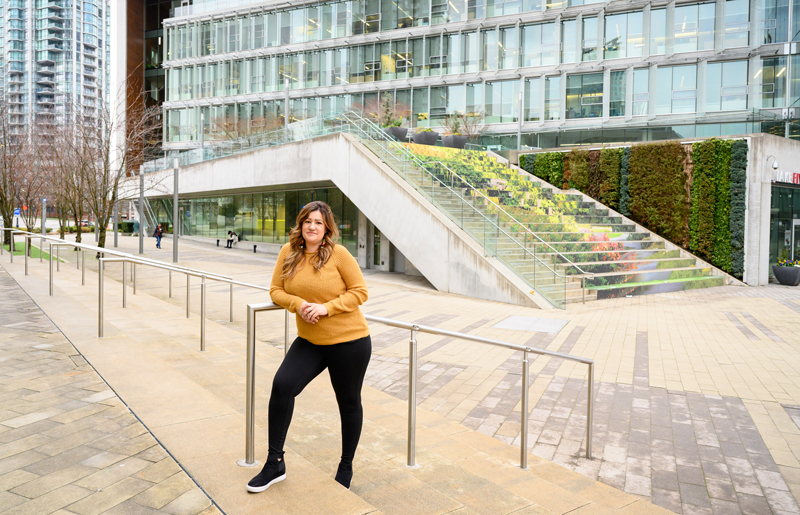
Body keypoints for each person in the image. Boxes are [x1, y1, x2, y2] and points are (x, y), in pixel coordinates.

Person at [247, 201, 370, 494]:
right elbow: (276, 291)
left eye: (318, 222)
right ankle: (275, 463)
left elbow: (360, 292)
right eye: (307, 221)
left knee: (348, 403)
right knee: (282, 386)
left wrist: (326, 308)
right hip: (311, 341)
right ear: (300, 225)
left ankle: (345, 466)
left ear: (326, 228)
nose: (312, 227)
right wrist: (298, 304)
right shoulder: (288, 253)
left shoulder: (338, 254)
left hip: (349, 341)